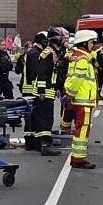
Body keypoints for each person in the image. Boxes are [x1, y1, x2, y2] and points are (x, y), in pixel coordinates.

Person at [66, 29, 100, 168]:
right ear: (85, 43)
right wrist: (72, 94)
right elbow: (77, 79)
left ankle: (78, 157)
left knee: (81, 128)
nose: (93, 45)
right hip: (83, 100)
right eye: (91, 42)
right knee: (83, 129)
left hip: (81, 100)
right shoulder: (83, 59)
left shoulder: (77, 56)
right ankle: (78, 159)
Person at [29, 28, 65, 156]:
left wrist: (56, 88)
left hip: (49, 90)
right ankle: (45, 145)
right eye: (61, 39)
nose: (63, 42)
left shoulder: (53, 52)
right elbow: (42, 73)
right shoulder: (48, 53)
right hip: (43, 92)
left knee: (44, 117)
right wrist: (42, 91)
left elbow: (53, 74)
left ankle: (41, 143)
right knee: (45, 118)